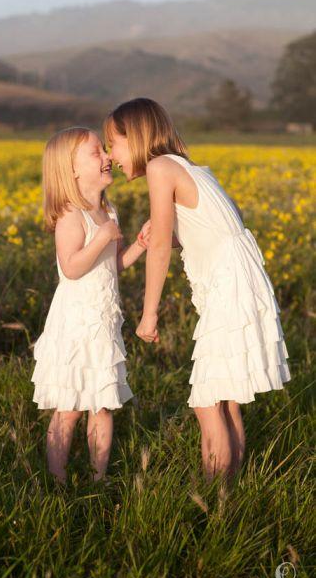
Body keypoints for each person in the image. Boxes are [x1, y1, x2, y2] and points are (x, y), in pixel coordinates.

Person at [104, 97, 291, 483]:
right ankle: (229, 496)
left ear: (135, 137)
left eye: (114, 144)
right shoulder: (193, 168)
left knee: (207, 402)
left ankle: (214, 499)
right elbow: (226, 223)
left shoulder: (159, 167)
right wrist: (174, 236)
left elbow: (158, 249)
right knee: (225, 401)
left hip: (228, 287)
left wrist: (149, 312)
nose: (112, 155)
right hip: (243, 281)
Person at [31, 126, 151, 484]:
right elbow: (71, 267)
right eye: (96, 153)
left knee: (102, 404)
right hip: (76, 325)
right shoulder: (71, 215)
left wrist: (139, 246)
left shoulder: (107, 213)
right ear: (72, 170)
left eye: (105, 150)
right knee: (68, 409)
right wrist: (100, 238)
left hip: (102, 322)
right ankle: (58, 480)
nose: (108, 158)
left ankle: (99, 479)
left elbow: (110, 268)